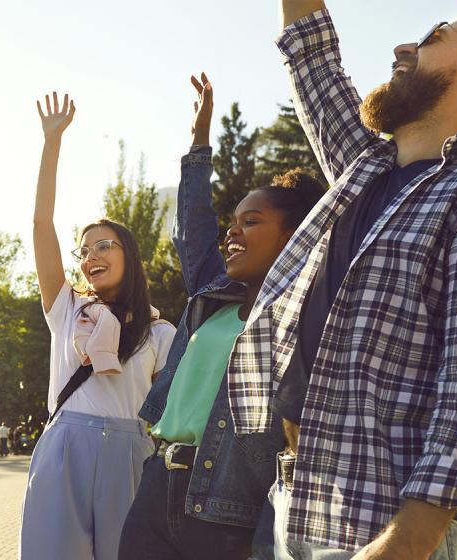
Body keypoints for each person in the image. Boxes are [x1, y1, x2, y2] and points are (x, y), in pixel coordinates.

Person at [227, 3, 457, 559]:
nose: (402, 50)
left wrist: (409, 539)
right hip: (295, 498)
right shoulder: (365, 170)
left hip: (381, 524)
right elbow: (311, 56)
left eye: (433, 37)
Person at [119, 74, 324, 560]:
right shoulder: (214, 295)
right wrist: (199, 141)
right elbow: (192, 228)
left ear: (294, 236)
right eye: (231, 223)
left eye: (250, 222)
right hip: (157, 483)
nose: (232, 234)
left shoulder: (300, 320)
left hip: (226, 506)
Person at [21, 92, 176, 560]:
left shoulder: (160, 332)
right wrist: (52, 144)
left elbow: (166, 417)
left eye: (104, 245)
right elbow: (41, 222)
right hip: (65, 445)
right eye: (85, 250)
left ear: (129, 254)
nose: (91, 256)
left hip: (130, 455)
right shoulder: (68, 310)